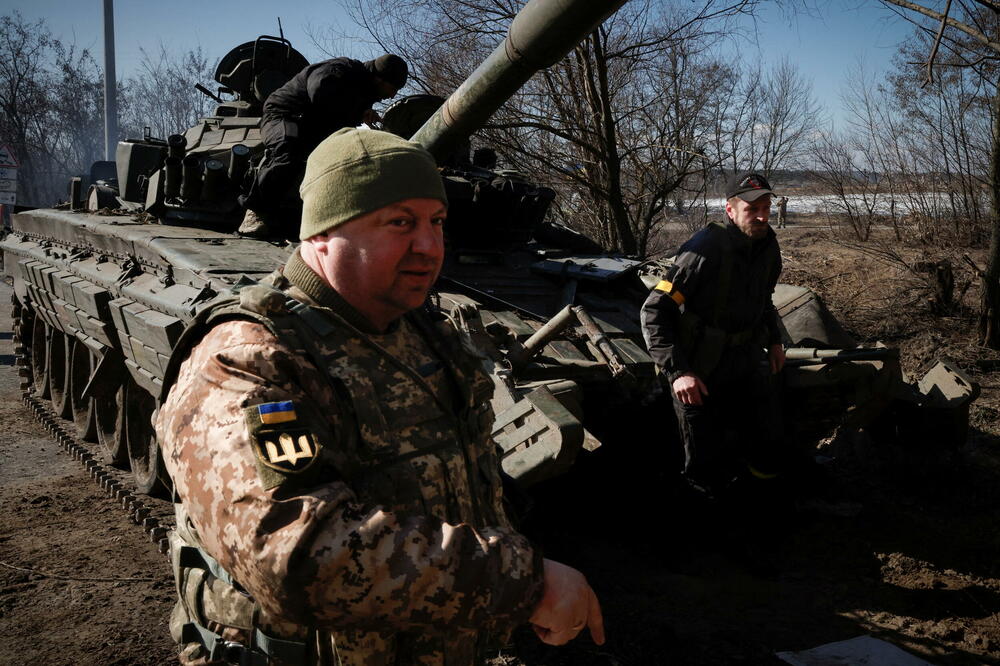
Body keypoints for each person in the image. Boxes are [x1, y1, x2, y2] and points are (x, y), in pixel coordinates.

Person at [157, 128, 604, 665]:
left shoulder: (419, 333)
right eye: (400, 222)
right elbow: (294, 555)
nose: (429, 246)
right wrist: (523, 583)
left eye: (436, 222)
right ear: (324, 232)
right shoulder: (249, 358)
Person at [641, 171, 786, 502]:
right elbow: (654, 311)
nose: (762, 216)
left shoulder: (767, 245)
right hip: (699, 368)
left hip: (745, 360)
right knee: (700, 453)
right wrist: (678, 372)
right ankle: (705, 512)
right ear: (730, 210)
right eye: (752, 209)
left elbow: (764, 299)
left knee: (764, 437)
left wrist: (775, 340)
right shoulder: (704, 249)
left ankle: (762, 502)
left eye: (766, 207)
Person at [238, 54, 409, 238]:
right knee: (287, 151)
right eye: (393, 88)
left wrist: (362, 113)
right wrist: (357, 112)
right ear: (380, 79)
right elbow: (319, 95)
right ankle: (255, 211)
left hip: (314, 126)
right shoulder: (340, 71)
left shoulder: (367, 90)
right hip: (283, 115)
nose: (393, 95)